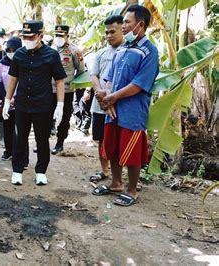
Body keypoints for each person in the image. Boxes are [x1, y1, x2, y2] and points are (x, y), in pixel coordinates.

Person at [93, 5, 159, 207]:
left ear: (140, 25)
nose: (124, 26)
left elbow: (140, 84)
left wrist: (112, 97)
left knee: (131, 150)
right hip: (113, 108)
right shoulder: (122, 48)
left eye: (127, 22)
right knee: (112, 147)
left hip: (132, 110)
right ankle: (115, 183)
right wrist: (106, 97)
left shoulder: (150, 52)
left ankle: (132, 189)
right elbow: (110, 76)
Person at [3, 20, 67, 185]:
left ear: (41, 35)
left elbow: (60, 80)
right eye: (24, 36)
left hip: (43, 105)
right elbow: (13, 78)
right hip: (22, 104)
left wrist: (60, 105)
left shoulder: (51, 55)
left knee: (42, 139)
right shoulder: (19, 54)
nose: (27, 40)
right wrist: (7, 100)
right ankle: (17, 170)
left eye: (30, 36)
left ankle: (41, 171)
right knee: (19, 139)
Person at [88, 15, 124, 183]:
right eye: (106, 32)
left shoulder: (128, 52)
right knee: (101, 140)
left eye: (113, 32)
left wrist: (110, 98)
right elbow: (94, 75)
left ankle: (122, 176)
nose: (109, 36)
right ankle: (105, 171)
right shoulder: (101, 53)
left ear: (122, 29)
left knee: (120, 140)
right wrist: (101, 93)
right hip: (99, 105)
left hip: (119, 106)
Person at [50, 25, 86, 155]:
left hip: (66, 91)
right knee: (46, 117)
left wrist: (72, 84)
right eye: (56, 35)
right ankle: (42, 143)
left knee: (64, 118)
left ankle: (60, 143)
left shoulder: (74, 51)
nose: (58, 38)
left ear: (67, 36)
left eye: (61, 35)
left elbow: (81, 70)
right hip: (50, 90)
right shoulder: (50, 49)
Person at [0, 36, 26, 161]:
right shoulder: (2, 63)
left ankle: (20, 154)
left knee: (21, 129)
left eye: (14, 50)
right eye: (9, 50)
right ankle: (8, 151)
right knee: (7, 127)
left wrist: (15, 98)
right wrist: (6, 98)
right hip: (6, 101)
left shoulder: (23, 62)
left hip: (21, 100)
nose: (11, 53)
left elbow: (25, 82)